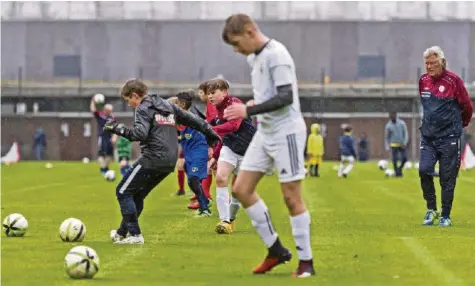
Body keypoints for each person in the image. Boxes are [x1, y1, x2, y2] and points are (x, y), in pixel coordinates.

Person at [221, 14, 314, 278]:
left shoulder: (278, 55)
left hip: (287, 132)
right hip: (266, 131)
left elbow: (285, 97)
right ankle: (276, 250)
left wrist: (247, 111)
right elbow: (269, 94)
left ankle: (306, 262)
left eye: (237, 44)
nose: (237, 51)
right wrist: (253, 104)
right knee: (241, 189)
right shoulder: (255, 57)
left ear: (250, 32)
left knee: (291, 197)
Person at [105, 79, 220, 244]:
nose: (129, 105)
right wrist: (210, 132)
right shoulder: (167, 105)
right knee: (137, 195)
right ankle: (122, 233)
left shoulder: (143, 107)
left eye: (128, 100)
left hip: (152, 158)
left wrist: (116, 128)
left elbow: (139, 134)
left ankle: (135, 235)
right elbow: (194, 120)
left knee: (123, 192)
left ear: (135, 95)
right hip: (169, 162)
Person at [418, 46, 473, 227]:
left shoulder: (453, 81)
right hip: (428, 137)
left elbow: (467, 107)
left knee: (447, 177)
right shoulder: (423, 81)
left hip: (449, 137)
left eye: (433, 63)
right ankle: (432, 209)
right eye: (427, 63)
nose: (429, 66)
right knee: (424, 170)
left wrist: (460, 125)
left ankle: (445, 215)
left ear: (441, 62)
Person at [205, 78, 257, 234]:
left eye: (213, 93)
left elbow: (233, 126)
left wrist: (211, 128)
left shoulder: (234, 103)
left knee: (237, 191)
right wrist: (215, 155)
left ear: (224, 92)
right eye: (208, 94)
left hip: (249, 152)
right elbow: (224, 137)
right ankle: (224, 220)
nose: (210, 97)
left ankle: (230, 220)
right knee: (220, 178)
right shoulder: (216, 111)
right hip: (230, 149)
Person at [169, 93, 213, 217]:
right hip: (189, 151)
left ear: (181, 105)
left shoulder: (191, 118)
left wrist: (210, 147)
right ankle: (204, 200)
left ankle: (204, 208)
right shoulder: (178, 119)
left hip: (199, 149)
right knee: (192, 180)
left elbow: (207, 129)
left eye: (174, 105)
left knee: (193, 178)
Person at [186, 81, 215, 208]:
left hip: (214, 139)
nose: (200, 95)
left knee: (210, 168)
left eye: (201, 92)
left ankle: (205, 197)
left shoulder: (211, 104)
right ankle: (204, 195)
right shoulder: (209, 104)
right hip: (212, 138)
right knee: (210, 168)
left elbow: (212, 122)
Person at [90, 98, 115, 176]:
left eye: (111, 110)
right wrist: (93, 101)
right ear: (105, 110)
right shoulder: (101, 116)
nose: (110, 112)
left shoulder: (112, 118)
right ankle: (103, 169)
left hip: (109, 137)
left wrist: (114, 137)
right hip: (102, 136)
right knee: (101, 154)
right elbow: (93, 110)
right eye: (109, 110)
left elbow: (115, 128)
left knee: (110, 155)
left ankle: (105, 168)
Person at [385, 112, 408, 177]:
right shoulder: (388, 125)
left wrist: (405, 142)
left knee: (404, 158)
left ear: (395, 115)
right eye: (390, 116)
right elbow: (387, 137)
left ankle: (399, 169)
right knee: (394, 159)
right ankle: (397, 173)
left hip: (402, 144)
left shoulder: (402, 123)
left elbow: (405, 133)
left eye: (392, 115)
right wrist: (387, 146)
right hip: (393, 144)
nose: (391, 117)